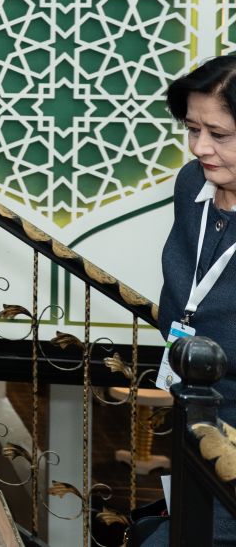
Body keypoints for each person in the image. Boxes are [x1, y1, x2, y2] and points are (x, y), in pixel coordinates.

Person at [142, 55, 236, 547]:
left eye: (219, 134)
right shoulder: (192, 183)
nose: (200, 147)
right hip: (193, 408)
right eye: (193, 129)